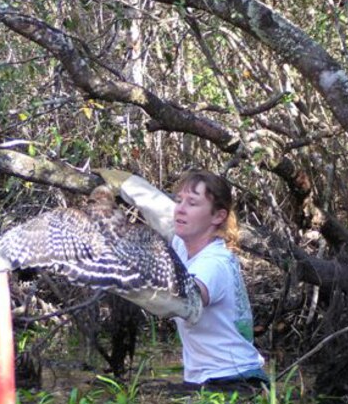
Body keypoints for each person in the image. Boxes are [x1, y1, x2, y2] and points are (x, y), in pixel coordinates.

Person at [99, 168, 267, 392]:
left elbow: (186, 301)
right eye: (179, 200)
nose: (181, 209)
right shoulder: (185, 242)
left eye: (193, 203)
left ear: (218, 216)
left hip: (233, 382)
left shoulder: (214, 263)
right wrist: (122, 181)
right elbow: (157, 208)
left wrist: (114, 279)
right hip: (207, 380)